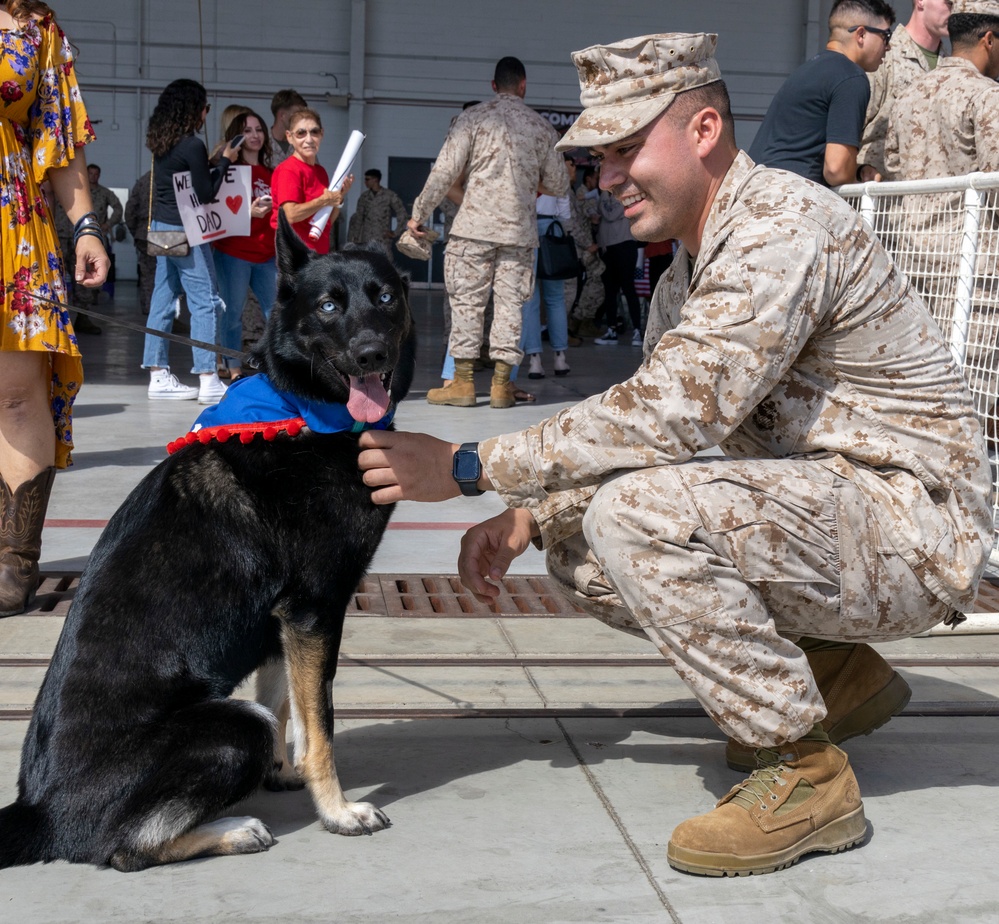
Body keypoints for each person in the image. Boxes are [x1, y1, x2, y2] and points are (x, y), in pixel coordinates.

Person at [357, 32, 992, 877]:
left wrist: (472, 467)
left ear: (701, 130)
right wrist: (529, 515)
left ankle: (804, 772)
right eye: (599, 157)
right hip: (834, 505)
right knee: (578, 541)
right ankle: (831, 679)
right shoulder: (682, 277)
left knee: (636, 516)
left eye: (625, 150)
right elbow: (637, 426)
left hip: (911, 522)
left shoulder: (779, 223)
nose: (606, 176)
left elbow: (669, 415)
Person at [0, 0, 110, 617]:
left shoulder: (35, 30)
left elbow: (58, 138)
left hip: (9, 226)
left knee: (17, 393)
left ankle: (13, 559)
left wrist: (88, 224)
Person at [405, 56, 569, 409]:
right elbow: (559, 183)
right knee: (511, 308)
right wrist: (526, 178)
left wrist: (419, 214)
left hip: (473, 231)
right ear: (523, 86)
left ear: (493, 86)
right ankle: (501, 387)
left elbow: (444, 172)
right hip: (519, 235)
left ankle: (462, 385)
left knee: (467, 304)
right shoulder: (541, 128)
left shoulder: (472, 119)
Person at [883, 1, 999, 425]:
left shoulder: (909, 96)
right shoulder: (987, 97)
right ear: (989, 39)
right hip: (975, 276)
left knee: (921, 387)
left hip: (914, 270)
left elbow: (893, 172)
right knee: (974, 398)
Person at [142, 78, 240, 403]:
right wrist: (225, 160)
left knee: (163, 298)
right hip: (187, 229)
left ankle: (157, 373)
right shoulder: (192, 144)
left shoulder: (163, 142)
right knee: (205, 302)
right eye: (205, 107)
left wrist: (210, 163)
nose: (206, 113)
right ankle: (208, 379)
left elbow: (185, 177)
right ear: (195, 109)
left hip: (160, 225)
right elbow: (207, 193)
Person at [749, 0, 894, 186]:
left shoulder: (809, 70)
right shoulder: (851, 77)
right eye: (886, 36)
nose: (888, 47)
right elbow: (837, 171)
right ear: (861, 34)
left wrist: (857, 172)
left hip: (756, 192)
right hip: (788, 200)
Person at [212, 108, 276, 380]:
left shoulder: (272, 173)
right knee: (233, 313)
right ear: (237, 136)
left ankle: (277, 364)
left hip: (267, 254)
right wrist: (247, 213)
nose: (254, 135)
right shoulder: (229, 170)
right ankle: (234, 367)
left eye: (259, 129)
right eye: (247, 130)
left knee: (277, 312)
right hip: (234, 253)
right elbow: (212, 210)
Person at [859, 0, 953, 181]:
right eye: (948, 3)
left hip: (932, 198)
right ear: (921, 1)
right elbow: (851, 125)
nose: (954, 11)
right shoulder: (884, 55)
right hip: (882, 198)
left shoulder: (951, 66)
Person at [270, 108, 352, 255]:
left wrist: (339, 198)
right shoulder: (288, 170)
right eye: (301, 133)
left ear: (322, 134)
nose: (309, 139)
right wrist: (324, 200)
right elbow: (290, 215)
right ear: (289, 137)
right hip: (295, 256)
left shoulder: (320, 172)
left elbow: (327, 220)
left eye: (314, 132)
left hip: (316, 255)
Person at [522, 184, 572, 380]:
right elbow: (565, 208)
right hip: (552, 228)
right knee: (555, 298)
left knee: (530, 298)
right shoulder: (554, 162)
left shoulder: (523, 160)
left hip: (525, 229)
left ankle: (534, 361)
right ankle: (560, 358)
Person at [563, 155, 606, 341]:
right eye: (571, 166)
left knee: (594, 278)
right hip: (577, 248)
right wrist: (588, 245)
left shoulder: (572, 191)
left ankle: (579, 321)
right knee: (567, 291)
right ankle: (573, 323)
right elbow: (571, 223)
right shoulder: (568, 192)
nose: (574, 170)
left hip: (580, 247)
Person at [593, 188, 642, 345]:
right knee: (610, 290)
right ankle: (611, 330)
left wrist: (601, 201)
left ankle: (637, 331)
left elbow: (610, 214)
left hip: (624, 245)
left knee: (628, 288)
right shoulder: (604, 196)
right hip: (608, 248)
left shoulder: (624, 194)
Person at [347, 169, 408, 244]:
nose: (365, 182)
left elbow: (402, 213)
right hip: (366, 239)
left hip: (382, 239)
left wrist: (396, 232)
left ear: (375, 179)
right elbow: (359, 218)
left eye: (367, 179)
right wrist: (355, 237)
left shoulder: (389, 196)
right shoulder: (364, 197)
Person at [123, 171, 155, 315]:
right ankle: (167, 315)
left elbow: (129, 210)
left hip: (144, 233)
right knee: (168, 275)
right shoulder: (173, 174)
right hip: (170, 233)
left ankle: (150, 311)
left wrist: (136, 232)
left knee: (147, 274)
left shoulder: (143, 180)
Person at [269, 88, 306, 165]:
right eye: (297, 114)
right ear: (282, 115)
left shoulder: (302, 144)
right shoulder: (261, 144)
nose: (301, 119)